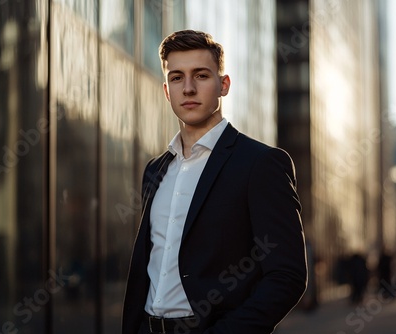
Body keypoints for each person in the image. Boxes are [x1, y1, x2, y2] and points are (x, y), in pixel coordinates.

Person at [122, 30, 307, 334]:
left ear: (224, 85)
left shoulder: (260, 164)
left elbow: (287, 275)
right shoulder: (155, 170)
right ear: (167, 91)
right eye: (177, 77)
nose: (189, 88)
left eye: (202, 75)